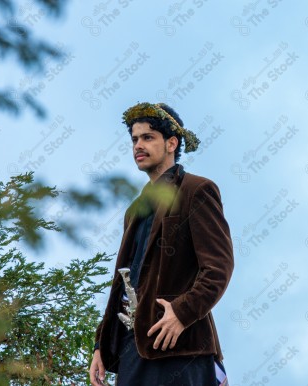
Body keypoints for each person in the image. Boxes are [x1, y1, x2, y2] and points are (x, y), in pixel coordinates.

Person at [89, 102, 234, 385]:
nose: (138, 146)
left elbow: (219, 268)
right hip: (133, 351)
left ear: (171, 143)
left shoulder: (196, 189)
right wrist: (101, 345)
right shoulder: (135, 211)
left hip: (181, 346)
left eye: (147, 137)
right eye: (134, 139)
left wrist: (182, 312)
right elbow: (128, 283)